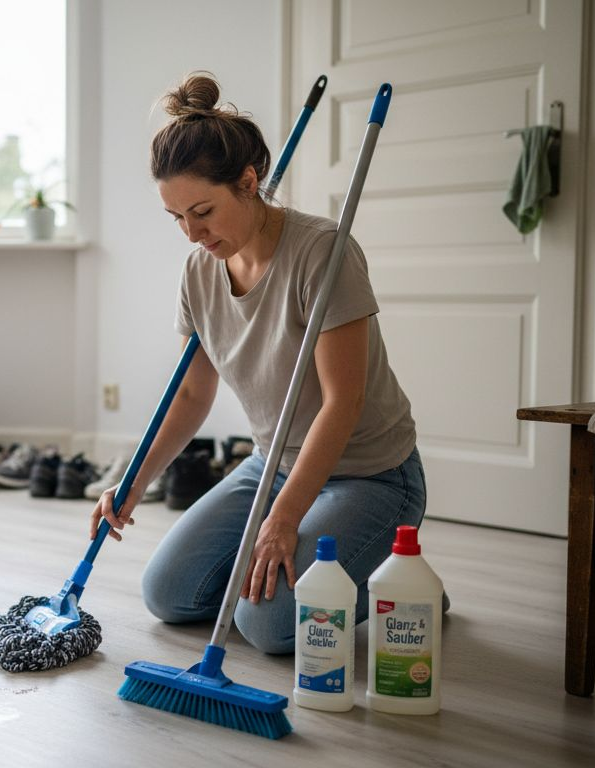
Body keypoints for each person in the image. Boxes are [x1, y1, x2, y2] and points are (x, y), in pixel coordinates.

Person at [88, 72, 426, 655]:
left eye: (203, 211)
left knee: (267, 627)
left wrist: (284, 519)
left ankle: (404, 586)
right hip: (272, 464)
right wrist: (135, 481)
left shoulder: (323, 253)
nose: (193, 234)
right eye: (177, 218)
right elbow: (193, 396)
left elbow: (343, 403)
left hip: (369, 473)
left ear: (248, 182)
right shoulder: (199, 272)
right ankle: (315, 571)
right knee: (170, 594)